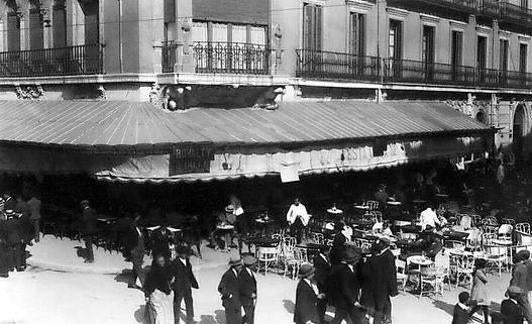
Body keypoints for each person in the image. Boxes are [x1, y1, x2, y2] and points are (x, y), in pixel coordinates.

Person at [366, 238, 398, 324]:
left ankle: (380, 320)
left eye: (380, 243)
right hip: (380, 284)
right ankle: (387, 317)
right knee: (385, 301)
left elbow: (391, 274)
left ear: (385, 245)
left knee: (379, 306)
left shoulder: (388, 256)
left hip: (383, 285)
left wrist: (392, 288)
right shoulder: (383, 253)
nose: (378, 244)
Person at [329, 248, 364, 324]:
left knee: (353, 318)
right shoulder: (345, 271)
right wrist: (353, 301)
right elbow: (345, 288)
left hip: (347, 300)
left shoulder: (348, 269)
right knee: (339, 318)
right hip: (345, 301)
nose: (357, 261)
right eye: (356, 260)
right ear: (352, 261)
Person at [171, 245, 199, 324]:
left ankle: (190, 319)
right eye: (182, 253)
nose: (184, 255)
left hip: (187, 285)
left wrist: (193, 283)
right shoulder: (175, 262)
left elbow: (190, 273)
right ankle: (176, 321)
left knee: (189, 302)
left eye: (185, 253)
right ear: (179, 254)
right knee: (177, 304)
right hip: (178, 286)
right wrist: (172, 285)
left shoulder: (187, 262)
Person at [144, 254, 175, 324]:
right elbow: (148, 285)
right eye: (160, 261)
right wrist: (147, 295)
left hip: (165, 295)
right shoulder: (152, 272)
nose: (162, 263)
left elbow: (169, 281)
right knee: (160, 314)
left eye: (163, 261)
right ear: (157, 262)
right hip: (157, 295)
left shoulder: (166, 270)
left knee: (167, 312)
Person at [218, 257, 243, 324]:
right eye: (240, 266)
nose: (241, 267)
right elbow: (220, 287)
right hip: (230, 303)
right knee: (231, 321)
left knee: (238, 321)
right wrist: (229, 295)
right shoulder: (228, 274)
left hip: (237, 302)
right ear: (235, 266)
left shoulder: (238, 274)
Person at [124, 213, 145, 289]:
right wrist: (130, 251)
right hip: (135, 251)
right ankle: (146, 287)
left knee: (135, 268)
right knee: (139, 269)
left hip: (141, 251)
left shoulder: (141, 232)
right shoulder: (132, 230)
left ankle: (131, 283)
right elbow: (128, 241)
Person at [511, 250, 532, 323]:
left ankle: (528, 319)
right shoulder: (526, 265)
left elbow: (515, 280)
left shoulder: (521, 267)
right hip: (525, 288)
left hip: (522, 288)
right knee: (523, 305)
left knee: (525, 306)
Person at [313, 247, 331, 324]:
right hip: (322, 283)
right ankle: (320, 319)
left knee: (322, 303)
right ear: (325, 251)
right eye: (328, 251)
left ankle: (320, 318)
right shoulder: (320, 260)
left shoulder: (322, 258)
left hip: (323, 282)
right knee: (321, 303)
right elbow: (320, 273)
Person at [469, 258, 490, 324]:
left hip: (480, 290)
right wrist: (485, 273)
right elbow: (486, 279)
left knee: (484, 306)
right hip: (479, 291)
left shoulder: (477, 271)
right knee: (479, 306)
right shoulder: (479, 272)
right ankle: (468, 315)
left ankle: (486, 321)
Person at [239, 255, 258, 324]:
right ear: (250, 265)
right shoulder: (242, 273)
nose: (255, 265)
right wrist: (250, 294)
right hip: (246, 299)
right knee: (250, 317)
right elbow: (241, 287)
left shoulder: (249, 271)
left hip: (250, 299)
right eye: (254, 264)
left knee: (249, 315)